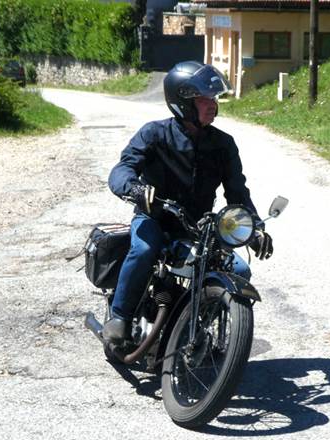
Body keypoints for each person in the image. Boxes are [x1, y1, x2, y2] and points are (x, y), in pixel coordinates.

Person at [103, 61, 273, 344]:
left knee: (240, 270)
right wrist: (135, 189)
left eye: (214, 98)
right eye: (204, 99)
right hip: (155, 218)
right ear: (182, 102)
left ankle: (196, 324)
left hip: (198, 227)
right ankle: (120, 316)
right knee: (143, 250)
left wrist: (254, 228)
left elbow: (237, 192)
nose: (212, 105)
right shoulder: (154, 134)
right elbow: (122, 169)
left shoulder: (223, 144)